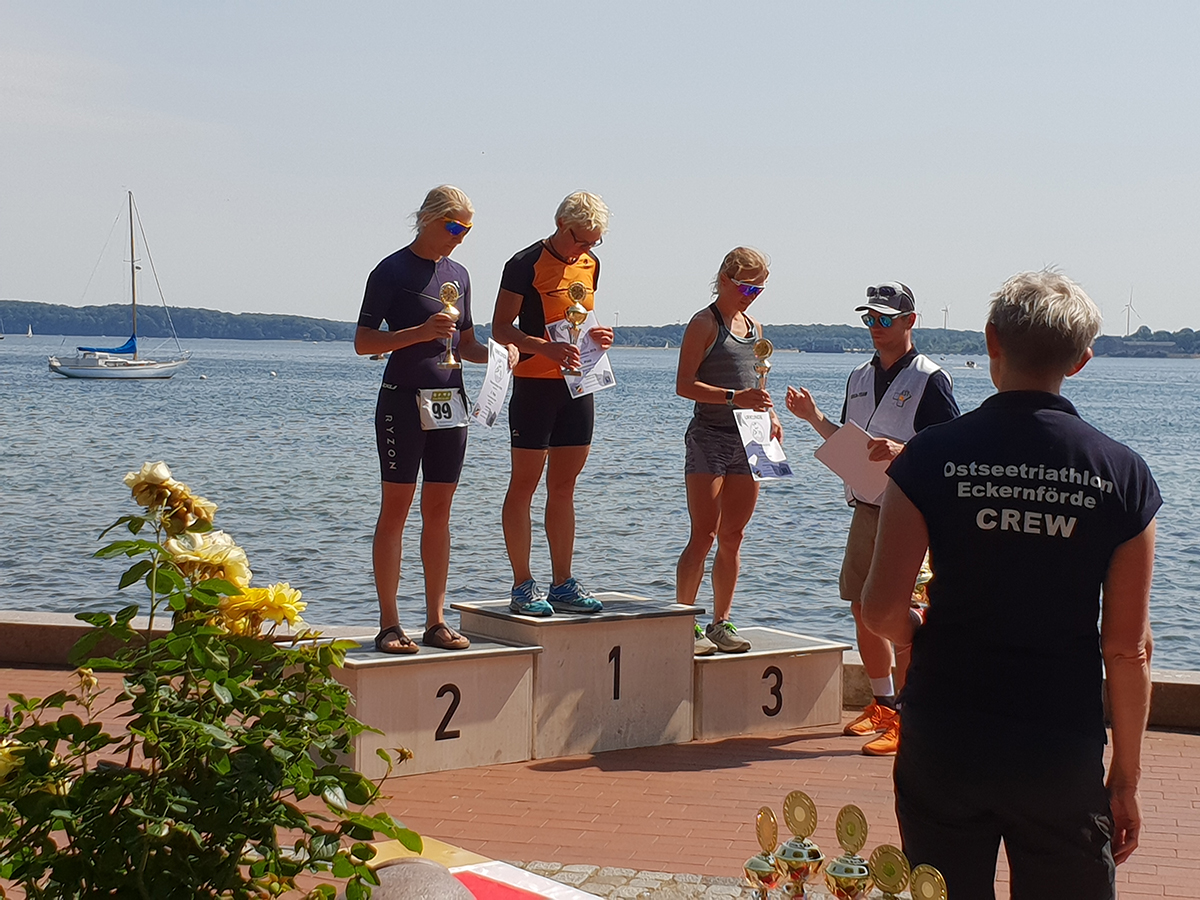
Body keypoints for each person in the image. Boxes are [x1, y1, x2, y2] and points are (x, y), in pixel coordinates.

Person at [861, 270, 1159, 898]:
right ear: (1081, 361)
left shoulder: (929, 456)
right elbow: (1128, 648)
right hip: (1059, 746)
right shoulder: (1122, 474)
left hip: (946, 734)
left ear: (991, 339)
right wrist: (1125, 778)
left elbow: (880, 606)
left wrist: (913, 638)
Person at [785, 282, 959, 754]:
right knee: (861, 607)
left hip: (910, 511)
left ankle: (911, 714)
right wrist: (812, 417)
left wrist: (904, 450)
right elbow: (848, 439)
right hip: (865, 505)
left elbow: (951, 448)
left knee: (902, 612)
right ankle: (883, 702)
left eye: (885, 319)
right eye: (870, 319)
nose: (876, 327)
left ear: (910, 321)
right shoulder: (859, 376)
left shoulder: (929, 378)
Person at [354, 185, 517, 654]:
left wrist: (501, 355)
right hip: (402, 400)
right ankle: (389, 623)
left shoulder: (459, 275)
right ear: (427, 218)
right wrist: (419, 332)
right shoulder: (391, 270)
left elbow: (465, 345)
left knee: (439, 512)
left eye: (467, 230)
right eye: (453, 227)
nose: (460, 237)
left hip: (450, 402)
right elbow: (364, 342)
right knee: (397, 510)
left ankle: (436, 620)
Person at [491, 191, 614, 615]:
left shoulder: (591, 264)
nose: (587, 248)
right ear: (562, 225)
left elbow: (579, 319)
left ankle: (563, 582)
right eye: (582, 239)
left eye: (595, 242)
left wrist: (598, 337)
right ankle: (522, 584)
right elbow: (501, 328)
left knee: (564, 487)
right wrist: (544, 349)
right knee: (523, 485)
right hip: (534, 386)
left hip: (578, 386)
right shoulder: (524, 263)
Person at [675, 247, 781, 654]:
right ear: (724, 280)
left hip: (750, 438)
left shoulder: (754, 326)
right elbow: (684, 385)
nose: (751, 296)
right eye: (746, 287)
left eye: (759, 289)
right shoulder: (704, 323)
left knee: (733, 536)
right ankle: (684, 622)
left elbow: (758, 384)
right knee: (704, 534)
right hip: (710, 437)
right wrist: (734, 397)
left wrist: (772, 415)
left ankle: (721, 622)